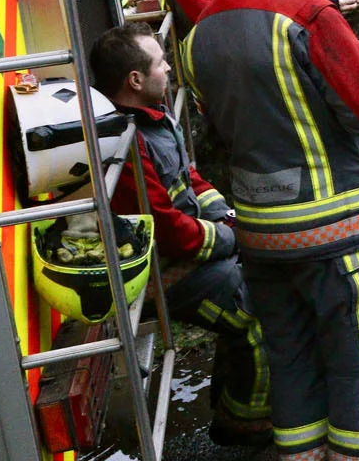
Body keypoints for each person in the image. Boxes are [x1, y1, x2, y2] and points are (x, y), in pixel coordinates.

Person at [183, 0, 359, 461]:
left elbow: (218, 122)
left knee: (292, 354)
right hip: (331, 225)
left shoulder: (200, 30)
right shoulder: (307, 13)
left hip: (260, 229)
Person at [89, 24, 271, 448]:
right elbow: (168, 231)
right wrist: (231, 240)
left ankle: (236, 399)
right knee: (258, 314)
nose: (169, 68)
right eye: (159, 62)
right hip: (166, 273)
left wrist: (227, 217)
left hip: (194, 251)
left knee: (263, 285)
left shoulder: (155, 117)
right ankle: (245, 423)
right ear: (135, 80)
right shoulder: (125, 144)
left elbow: (189, 179)